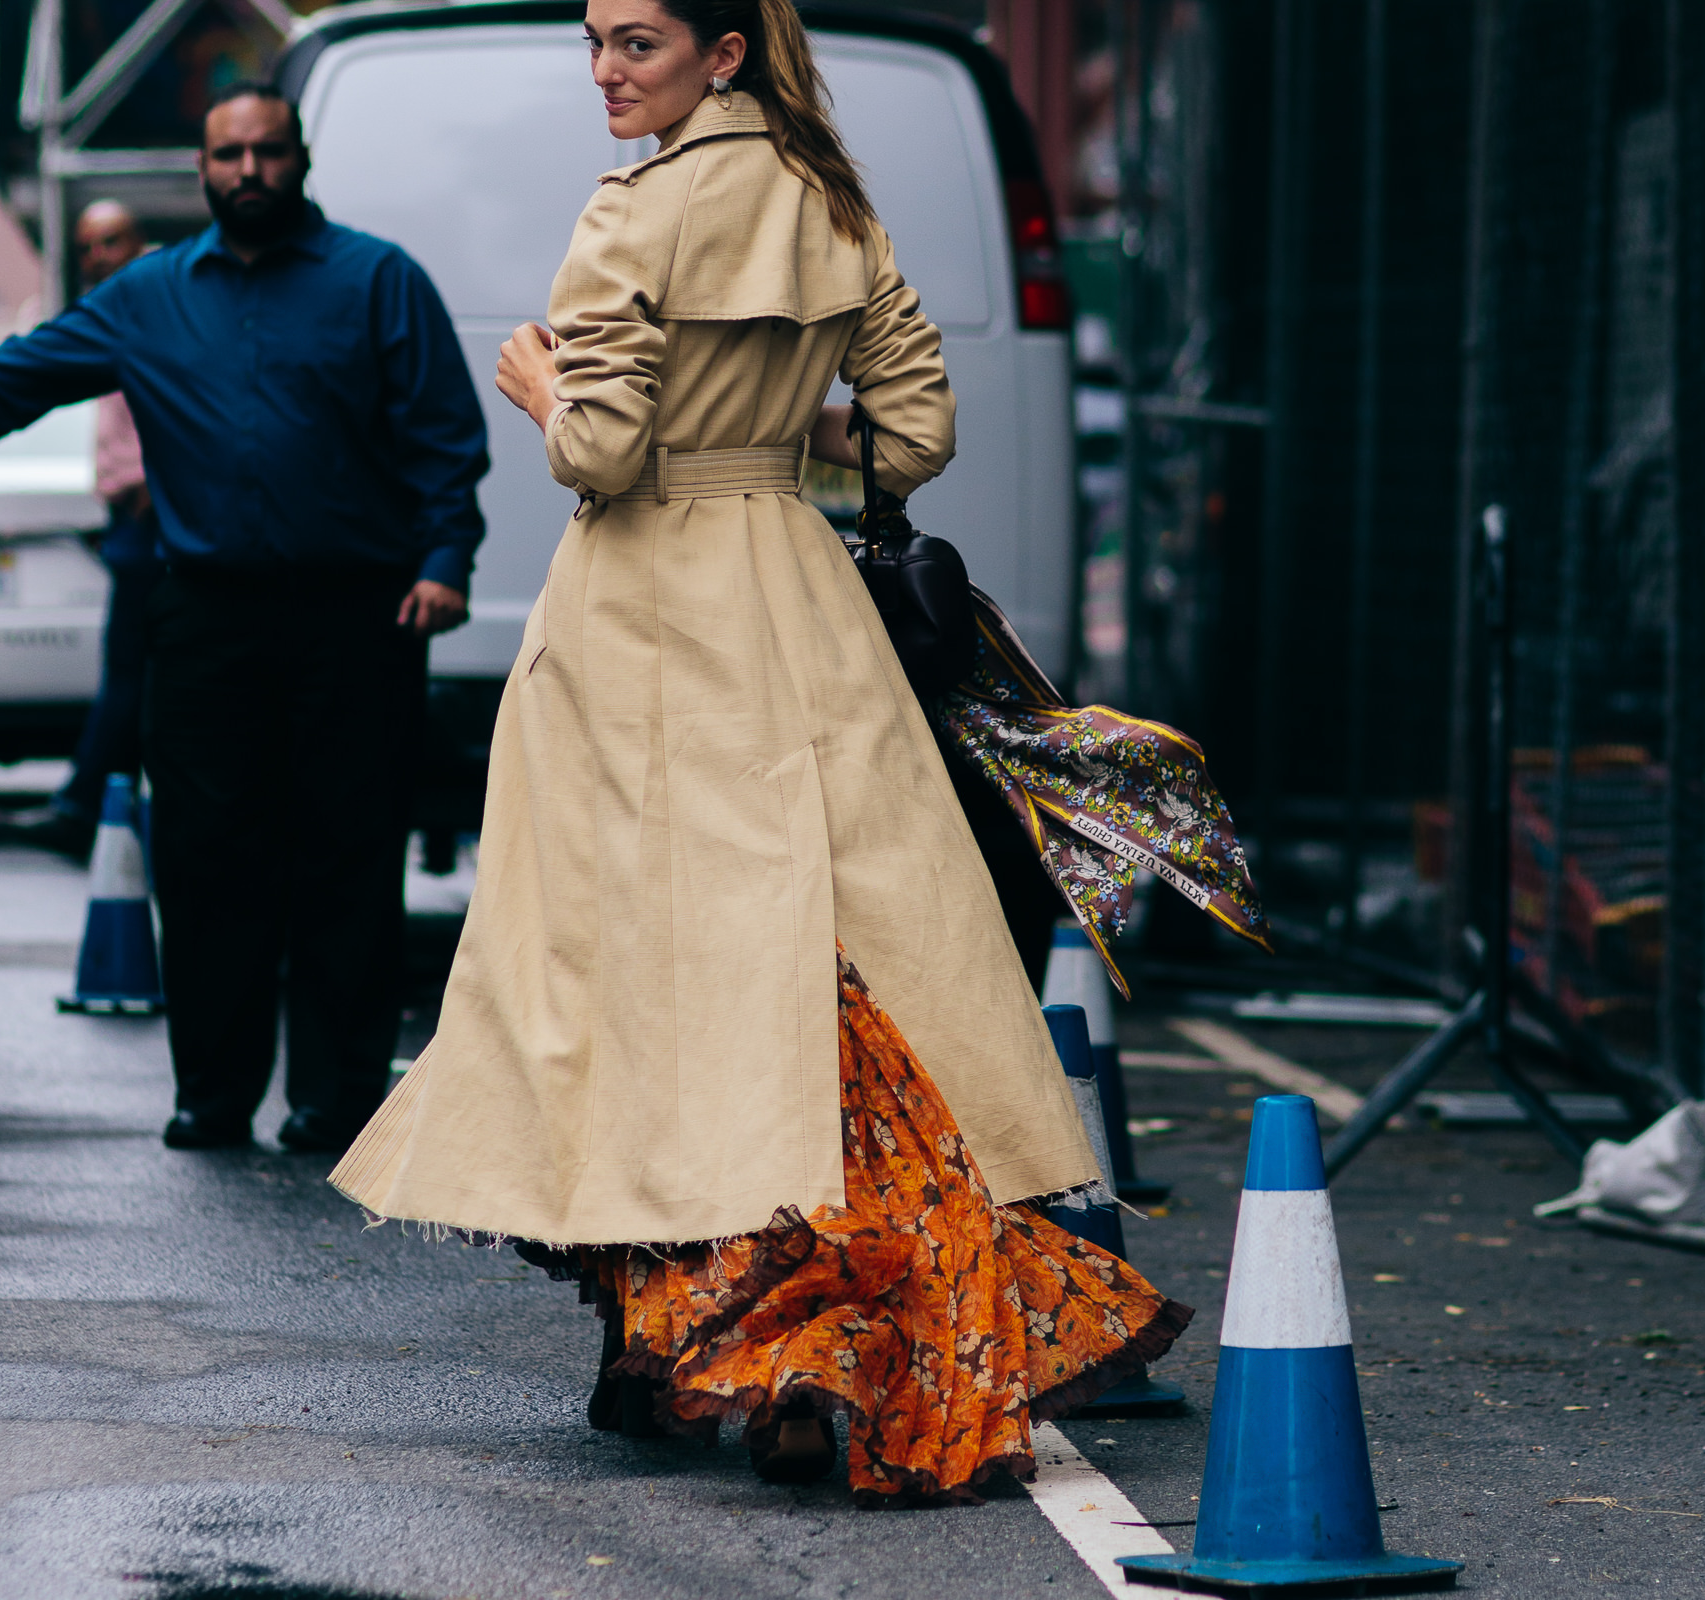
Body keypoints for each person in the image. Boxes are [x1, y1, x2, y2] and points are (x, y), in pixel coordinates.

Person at [326, 0, 1191, 1502]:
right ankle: (809, 1338)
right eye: (596, 40)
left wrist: (539, 390)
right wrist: (788, 430)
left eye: (639, 44)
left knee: (618, 980)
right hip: (792, 605)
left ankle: (665, 1344)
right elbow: (917, 433)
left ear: (723, 51)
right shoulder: (830, 199)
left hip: (640, 617)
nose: (606, 70)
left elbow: (598, 453)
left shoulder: (629, 217)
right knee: (832, 971)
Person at [0, 85, 490, 1157]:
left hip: (355, 618)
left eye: (268, 152)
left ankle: (335, 1096)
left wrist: (446, 561)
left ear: (300, 159)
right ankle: (214, 1095)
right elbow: (9, 383)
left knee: (346, 859)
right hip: (207, 622)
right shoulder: (146, 298)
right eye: (229, 154)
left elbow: (446, 440)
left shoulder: (379, 282)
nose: (249, 171)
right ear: (203, 170)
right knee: (207, 859)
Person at [0, 199, 164, 860]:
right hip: (133, 518)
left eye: (111, 240)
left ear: (139, 240)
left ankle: (83, 804)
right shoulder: (114, 312)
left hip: (154, 521)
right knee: (132, 672)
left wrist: (150, 488)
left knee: (131, 673)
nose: (97, 256)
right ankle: (95, 801)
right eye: (88, 245)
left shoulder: (149, 309)